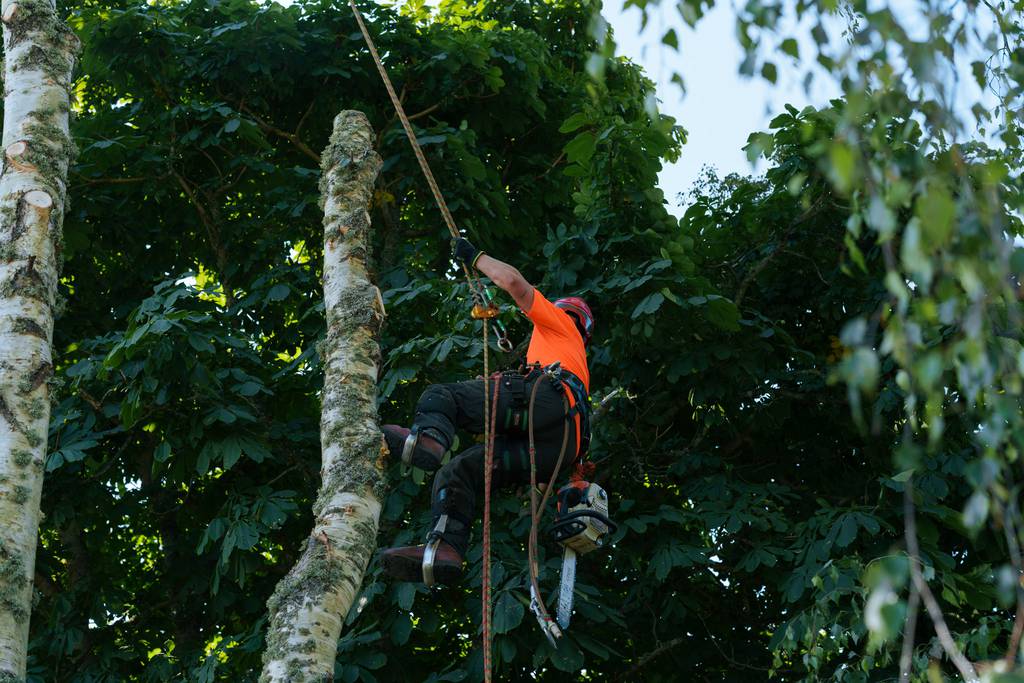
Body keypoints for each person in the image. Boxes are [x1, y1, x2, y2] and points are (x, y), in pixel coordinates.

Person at [379, 237, 594, 585]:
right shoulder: (574, 362)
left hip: (547, 402)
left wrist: (475, 257)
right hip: (561, 447)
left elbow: (512, 283)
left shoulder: (558, 323)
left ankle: (429, 441)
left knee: (443, 397)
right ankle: (445, 550)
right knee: (460, 471)